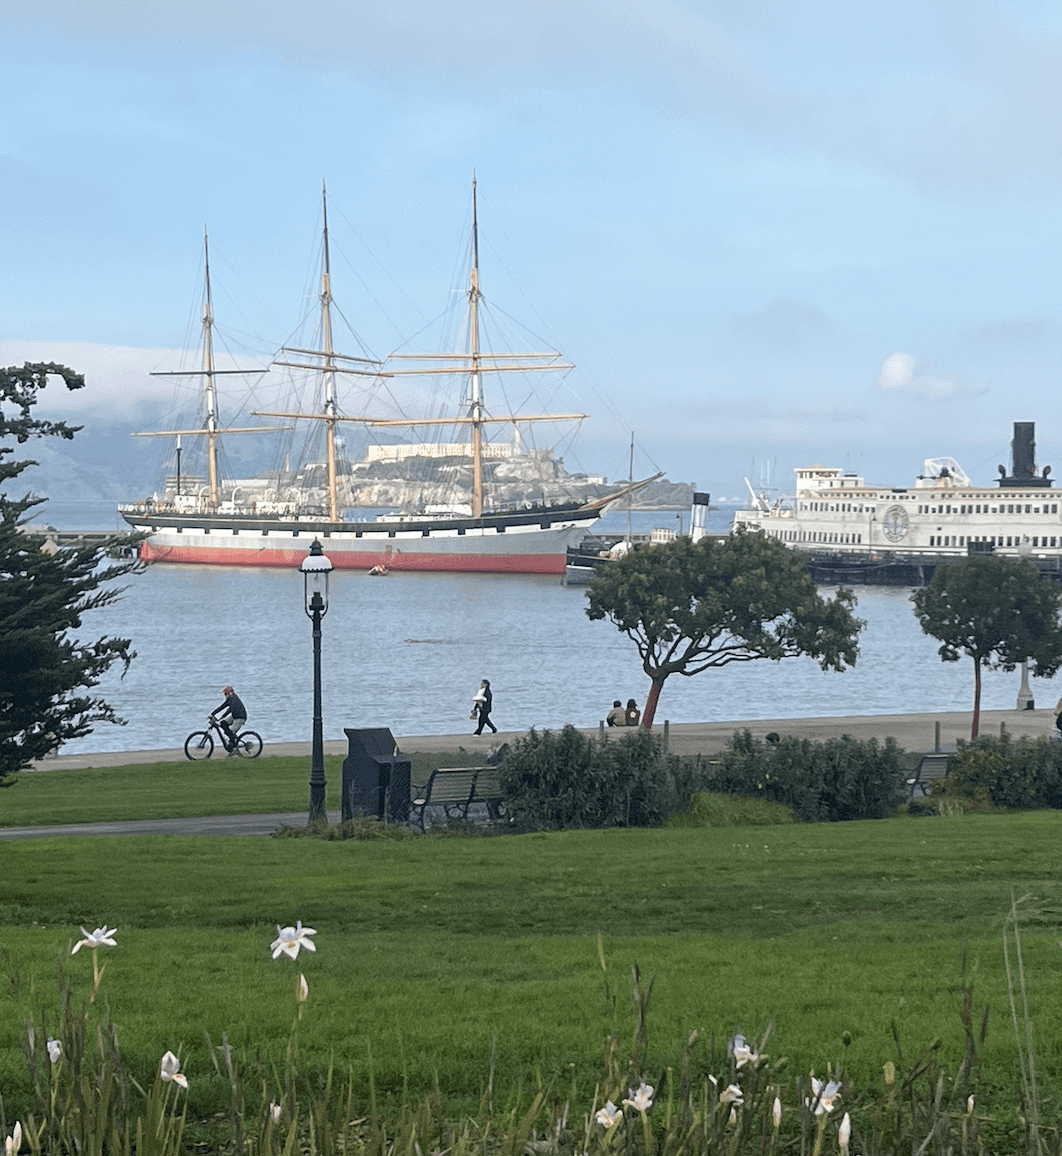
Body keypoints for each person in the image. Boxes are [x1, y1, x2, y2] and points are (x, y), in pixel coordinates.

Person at [211, 686, 248, 755]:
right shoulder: (230, 699)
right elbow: (222, 706)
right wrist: (213, 713)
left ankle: (233, 746)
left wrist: (223, 715)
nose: (225, 696)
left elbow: (231, 709)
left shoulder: (233, 698)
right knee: (223, 723)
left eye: (226, 694)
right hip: (235, 716)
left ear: (230, 693)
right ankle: (231, 740)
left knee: (231, 731)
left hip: (240, 717)